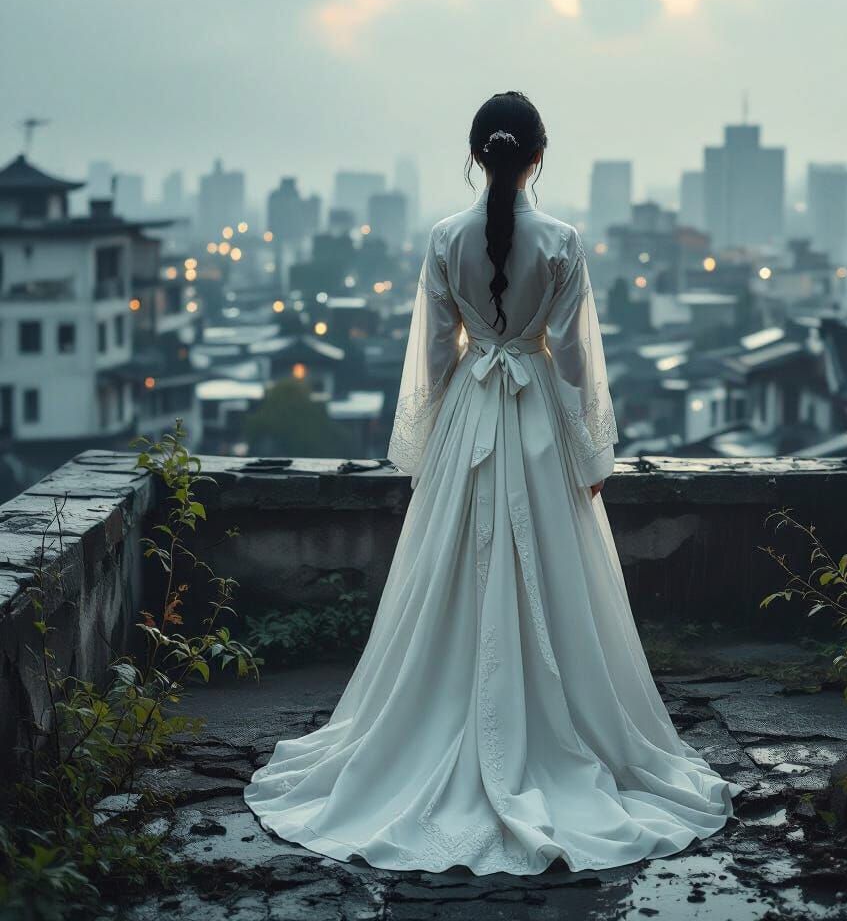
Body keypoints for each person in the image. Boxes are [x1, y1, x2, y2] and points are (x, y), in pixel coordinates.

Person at [245, 91, 738, 874]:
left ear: (477, 155)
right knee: (554, 570)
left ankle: (439, 728)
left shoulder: (445, 240)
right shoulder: (564, 242)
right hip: (536, 413)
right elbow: (574, 363)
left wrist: (430, 444)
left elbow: (437, 353)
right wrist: (591, 459)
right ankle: (552, 738)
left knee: (451, 575)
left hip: (472, 414)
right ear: (539, 154)